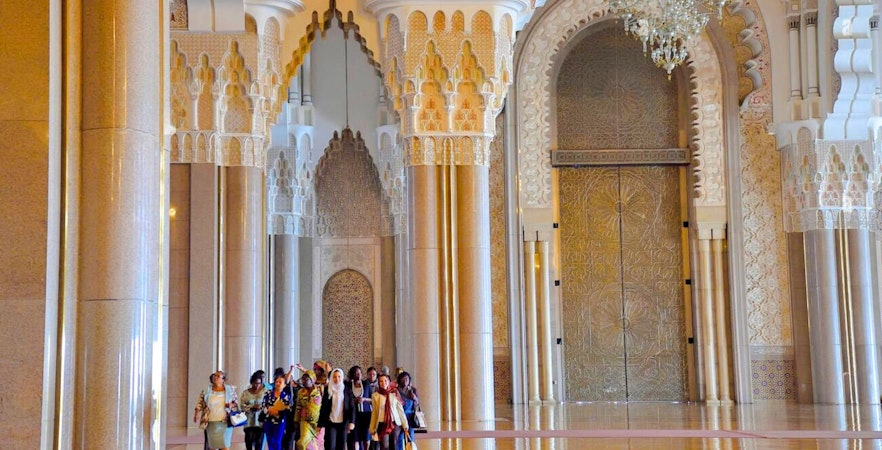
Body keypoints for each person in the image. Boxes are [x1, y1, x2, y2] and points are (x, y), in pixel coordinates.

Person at [193, 370, 239, 450]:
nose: (215, 377)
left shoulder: (230, 390)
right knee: (213, 446)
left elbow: (236, 402)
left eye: (218, 376)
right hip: (211, 422)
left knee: (225, 446)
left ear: (223, 380)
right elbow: (200, 402)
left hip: (225, 421)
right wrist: (196, 413)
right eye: (215, 375)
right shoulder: (207, 390)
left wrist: (231, 404)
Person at [368, 373, 408, 450]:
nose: (383, 383)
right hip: (382, 423)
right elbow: (374, 413)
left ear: (389, 381)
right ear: (379, 383)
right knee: (384, 446)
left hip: (394, 423)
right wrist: (372, 428)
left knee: (394, 445)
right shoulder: (375, 396)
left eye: (385, 381)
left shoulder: (394, 393)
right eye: (381, 381)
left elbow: (400, 410)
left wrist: (405, 425)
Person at [319, 368, 355, 450]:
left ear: (342, 377)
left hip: (343, 423)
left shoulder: (347, 390)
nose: (337, 379)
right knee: (330, 445)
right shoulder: (328, 389)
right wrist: (320, 423)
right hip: (331, 422)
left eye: (339, 376)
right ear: (331, 378)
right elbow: (323, 407)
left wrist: (352, 422)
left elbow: (352, 407)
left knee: (341, 445)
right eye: (334, 377)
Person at [263, 374, 294, 450]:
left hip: (280, 422)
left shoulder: (286, 396)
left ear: (284, 385)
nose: (277, 384)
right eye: (276, 382)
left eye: (280, 382)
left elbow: (288, 408)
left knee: (276, 442)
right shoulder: (268, 393)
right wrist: (269, 410)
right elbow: (264, 405)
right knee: (270, 442)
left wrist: (278, 412)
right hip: (268, 421)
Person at [294, 370, 323, 450]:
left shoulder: (320, 389)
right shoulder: (300, 392)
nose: (303, 381)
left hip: (318, 422)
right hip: (305, 422)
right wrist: (296, 420)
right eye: (302, 379)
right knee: (302, 442)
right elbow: (298, 407)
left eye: (306, 379)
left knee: (317, 445)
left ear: (312, 380)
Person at [347, 366, 372, 450]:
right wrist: (353, 400)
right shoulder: (348, 385)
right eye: (356, 373)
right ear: (352, 374)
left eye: (360, 373)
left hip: (366, 414)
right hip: (354, 416)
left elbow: (373, 399)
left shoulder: (366, 384)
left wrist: (364, 399)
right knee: (355, 439)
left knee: (366, 438)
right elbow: (345, 399)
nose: (359, 375)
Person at [241, 372, 268, 450]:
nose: (257, 385)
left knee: (259, 443)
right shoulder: (246, 393)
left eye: (259, 383)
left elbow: (268, 404)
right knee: (248, 442)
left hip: (260, 422)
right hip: (249, 421)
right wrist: (252, 407)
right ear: (252, 382)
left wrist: (261, 407)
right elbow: (242, 405)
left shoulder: (264, 392)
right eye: (255, 383)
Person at [394, 371, 419, 450]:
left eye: (407, 379)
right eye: (403, 379)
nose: (405, 380)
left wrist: (414, 398)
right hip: (399, 417)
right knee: (399, 437)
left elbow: (417, 404)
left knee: (410, 437)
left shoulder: (413, 390)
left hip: (409, 416)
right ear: (399, 380)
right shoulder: (396, 390)